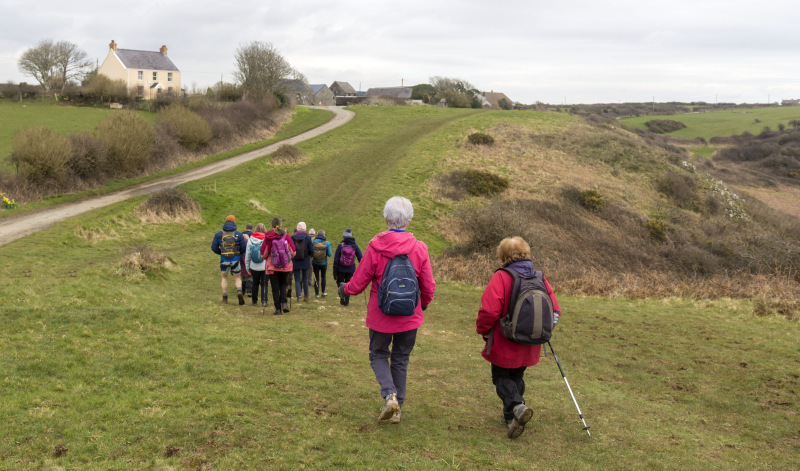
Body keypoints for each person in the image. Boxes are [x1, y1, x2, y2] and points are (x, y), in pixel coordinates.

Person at [339, 197, 435, 425]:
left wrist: (346, 290)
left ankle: (390, 395)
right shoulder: (420, 248)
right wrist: (423, 305)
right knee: (401, 359)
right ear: (409, 221)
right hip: (410, 316)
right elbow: (428, 286)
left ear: (385, 219)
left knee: (378, 354)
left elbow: (359, 281)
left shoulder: (376, 246)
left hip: (381, 315)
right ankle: (397, 407)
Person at [476, 236, 561, 439]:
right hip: (532, 341)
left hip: (505, 341)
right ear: (526, 253)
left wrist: (483, 330)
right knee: (517, 376)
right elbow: (555, 310)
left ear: (503, 256)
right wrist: (542, 330)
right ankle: (512, 417)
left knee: (501, 377)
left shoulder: (502, 277)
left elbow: (489, 310)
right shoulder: (540, 277)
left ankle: (517, 406)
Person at [260, 217, 296, 315]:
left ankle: (278, 309)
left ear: (271, 226)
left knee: (275, 288)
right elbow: (293, 253)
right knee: (283, 285)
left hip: (272, 267)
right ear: (281, 225)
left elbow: (263, 254)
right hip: (285, 266)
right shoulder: (286, 236)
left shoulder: (268, 237)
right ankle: (284, 303)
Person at [210, 215, 248, 305]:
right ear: (234, 222)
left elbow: (213, 247)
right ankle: (239, 291)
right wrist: (238, 253)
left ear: (225, 222)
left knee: (224, 277)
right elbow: (244, 247)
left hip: (224, 259)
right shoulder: (238, 234)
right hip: (235, 258)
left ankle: (225, 297)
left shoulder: (219, 234)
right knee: (237, 278)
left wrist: (221, 252)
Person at [333, 227, 363, 305]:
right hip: (351, 269)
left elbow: (336, 259)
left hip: (341, 269)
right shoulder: (354, 246)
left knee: (340, 283)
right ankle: (347, 300)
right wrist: (363, 268)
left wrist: (334, 270)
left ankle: (342, 297)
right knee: (348, 284)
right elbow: (360, 257)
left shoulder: (341, 246)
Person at [245, 223, 269, 308]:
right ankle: (264, 301)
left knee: (255, 283)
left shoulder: (251, 239)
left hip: (253, 265)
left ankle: (254, 301)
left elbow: (247, 254)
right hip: (264, 265)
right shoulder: (267, 238)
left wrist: (247, 268)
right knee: (264, 284)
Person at [291, 222, 315, 302]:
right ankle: (306, 296)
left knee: (297, 279)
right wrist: (309, 255)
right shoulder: (307, 237)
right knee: (305, 278)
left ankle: (299, 296)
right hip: (305, 260)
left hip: (295, 260)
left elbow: (290, 249)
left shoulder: (293, 237)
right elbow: (312, 250)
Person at [311, 229, 333, 298]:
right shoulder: (327, 243)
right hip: (324, 263)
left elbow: (311, 252)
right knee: (323, 277)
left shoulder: (313, 242)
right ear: (324, 234)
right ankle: (323, 292)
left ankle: (317, 294)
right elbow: (330, 254)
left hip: (315, 262)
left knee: (316, 278)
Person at [241, 223, 254, 297]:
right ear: (252, 228)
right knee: (250, 275)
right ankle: (249, 291)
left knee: (243, 275)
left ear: (245, 228)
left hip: (242, 259)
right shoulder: (253, 235)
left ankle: (242, 290)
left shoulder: (241, 235)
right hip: (249, 258)